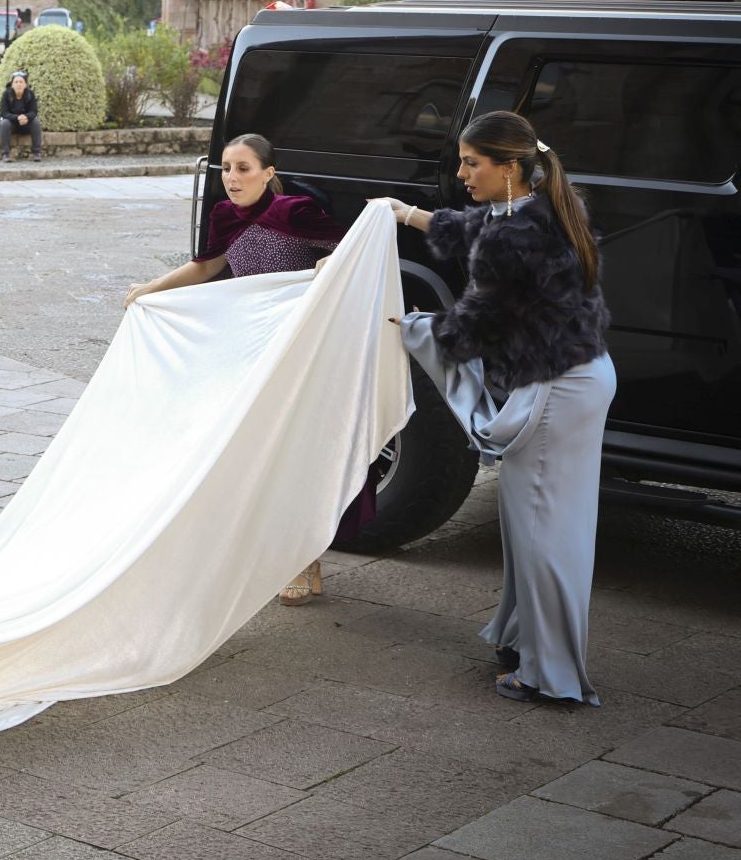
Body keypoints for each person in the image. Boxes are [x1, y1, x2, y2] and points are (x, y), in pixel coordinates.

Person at [379, 112, 613, 705]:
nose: (460, 173)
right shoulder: (547, 206)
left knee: (542, 531)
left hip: (556, 387)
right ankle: (521, 640)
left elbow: (472, 329)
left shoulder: (514, 234)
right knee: (541, 525)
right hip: (584, 377)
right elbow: (470, 227)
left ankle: (549, 675)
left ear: (509, 167)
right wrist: (407, 214)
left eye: (471, 162)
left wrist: (404, 327)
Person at [123, 133, 358, 604]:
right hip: (248, 347)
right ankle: (256, 552)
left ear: (269, 173)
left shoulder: (294, 211)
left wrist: (327, 265)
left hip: (297, 346)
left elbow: (352, 250)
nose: (232, 178)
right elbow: (206, 268)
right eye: (227, 168)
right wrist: (151, 288)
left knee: (292, 452)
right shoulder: (224, 215)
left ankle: (304, 558)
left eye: (244, 168)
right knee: (248, 452)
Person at [0, 70, 43, 163]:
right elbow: (4, 113)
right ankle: (6, 153)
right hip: (10, 124)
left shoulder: (30, 94)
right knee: (4, 123)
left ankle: (37, 152)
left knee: (35, 122)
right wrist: (17, 117)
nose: (18, 84)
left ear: (25, 84)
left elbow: (34, 111)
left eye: (21, 82)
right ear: (12, 84)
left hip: (25, 123)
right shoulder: (6, 94)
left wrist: (26, 117)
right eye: (16, 82)